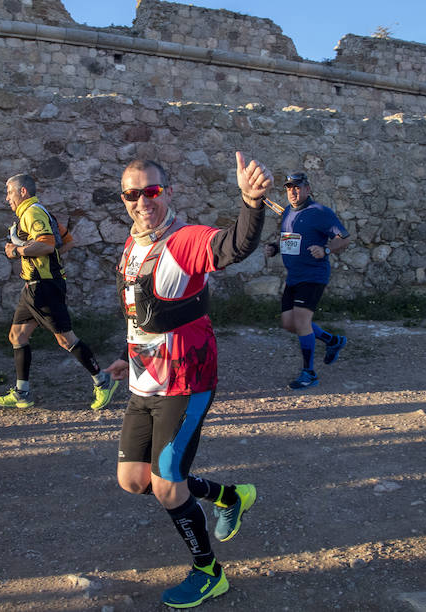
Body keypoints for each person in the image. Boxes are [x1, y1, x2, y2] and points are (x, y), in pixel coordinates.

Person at [103, 152, 269, 608]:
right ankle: (230, 495)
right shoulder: (132, 244)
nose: (142, 201)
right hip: (143, 382)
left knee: (167, 484)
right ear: (124, 199)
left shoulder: (184, 239)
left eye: (151, 191)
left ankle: (208, 570)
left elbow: (232, 246)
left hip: (186, 381)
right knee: (133, 481)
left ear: (168, 192)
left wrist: (251, 203)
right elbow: (142, 313)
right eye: (133, 194)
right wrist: (124, 356)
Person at [0, 173, 119, 410]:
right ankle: (22, 393)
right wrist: (47, 260)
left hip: (44, 287)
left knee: (65, 339)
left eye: (9, 192)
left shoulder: (32, 213)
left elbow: (47, 244)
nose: (6, 198)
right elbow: (67, 241)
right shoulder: (38, 213)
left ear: (23, 192)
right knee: (17, 336)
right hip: (33, 285)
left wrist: (17, 252)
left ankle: (103, 382)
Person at [263, 171, 351, 389]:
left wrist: (326, 249)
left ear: (307, 189)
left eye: (298, 187)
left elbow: (344, 237)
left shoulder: (320, 212)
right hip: (294, 276)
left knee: (301, 322)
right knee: (289, 323)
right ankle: (333, 341)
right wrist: (275, 248)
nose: (293, 192)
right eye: (289, 188)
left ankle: (309, 373)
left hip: (314, 275)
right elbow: (288, 238)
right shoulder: (287, 213)